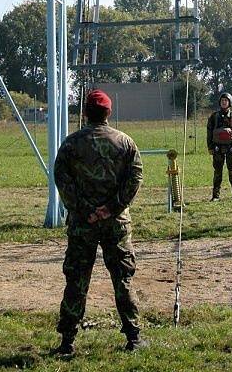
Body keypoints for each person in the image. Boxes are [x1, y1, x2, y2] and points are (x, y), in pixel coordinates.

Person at [53, 88, 146, 355]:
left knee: (76, 280)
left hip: (83, 224)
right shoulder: (125, 142)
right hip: (116, 223)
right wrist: (112, 207)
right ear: (109, 112)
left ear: (85, 112)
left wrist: (84, 210)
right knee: (123, 279)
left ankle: (67, 342)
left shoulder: (71, 144)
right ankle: (133, 337)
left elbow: (62, 179)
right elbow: (135, 178)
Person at [206, 92, 232, 201]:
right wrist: (210, 147)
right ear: (220, 102)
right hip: (217, 148)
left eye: (226, 100)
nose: (224, 102)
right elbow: (209, 132)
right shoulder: (214, 117)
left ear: (229, 102)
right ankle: (215, 196)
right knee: (218, 172)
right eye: (222, 100)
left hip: (231, 148)